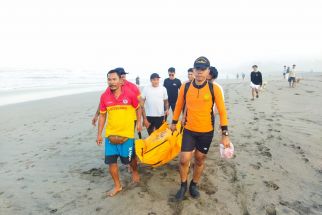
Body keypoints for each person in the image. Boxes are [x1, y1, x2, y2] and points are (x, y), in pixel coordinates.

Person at [170, 56, 230, 200]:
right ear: (194, 69)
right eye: (197, 69)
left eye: (203, 69)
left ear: (208, 71)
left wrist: (225, 133)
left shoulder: (213, 88)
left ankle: (194, 184)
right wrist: (173, 121)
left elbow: (222, 111)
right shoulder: (185, 86)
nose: (200, 72)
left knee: (199, 159)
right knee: (184, 159)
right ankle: (183, 185)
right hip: (189, 130)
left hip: (206, 131)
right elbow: (179, 105)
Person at [96, 70, 142, 197]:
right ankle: (117, 186)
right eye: (109, 79)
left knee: (129, 159)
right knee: (111, 161)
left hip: (126, 135)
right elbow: (102, 116)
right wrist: (99, 134)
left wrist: (139, 122)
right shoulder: (104, 97)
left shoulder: (130, 94)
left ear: (120, 81)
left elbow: (138, 108)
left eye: (114, 79)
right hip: (110, 135)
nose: (111, 82)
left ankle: (134, 171)